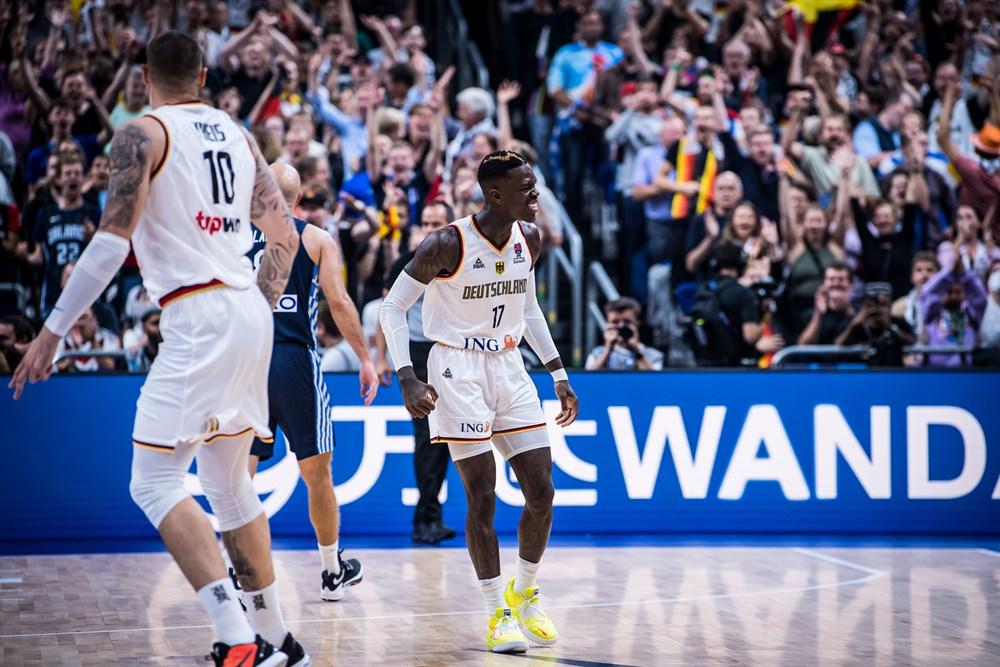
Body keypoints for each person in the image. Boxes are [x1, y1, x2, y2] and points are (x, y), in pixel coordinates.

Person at [10, 32, 307, 667]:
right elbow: (283, 232)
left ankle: (234, 635)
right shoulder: (238, 132)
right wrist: (253, 306)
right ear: (202, 75)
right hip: (249, 305)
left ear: (143, 77)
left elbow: (113, 241)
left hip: (197, 310)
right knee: (228, 487)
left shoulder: (140, 134)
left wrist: (53, 329)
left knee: (154, 482)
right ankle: (281, 640)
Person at [379, 150, 579, 654]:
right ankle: (496, 612)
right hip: (456, 367)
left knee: (542, 489)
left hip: (511, 366)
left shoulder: (528, 239)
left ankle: (525, 590)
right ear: (495, 194)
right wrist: (406, 376)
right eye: (527, 188)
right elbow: (392, 308)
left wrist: (558, 372)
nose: (536, 196)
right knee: (482, 496)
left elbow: (528, 308)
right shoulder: (445, 243)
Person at [246, 162, 377, 603]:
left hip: (246, 363)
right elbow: (338, 302)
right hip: (295, 362)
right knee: (317, 475)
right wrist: (364, 357)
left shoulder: (232, 239)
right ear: (299, 201)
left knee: (241, 477)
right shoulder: (316, 238)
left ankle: (242, 572)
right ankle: (330, 570)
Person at [378, 200, 458, 544]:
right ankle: (424, 518)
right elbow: (388, 311)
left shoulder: (461, 261)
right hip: (419, 353)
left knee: (447, 440)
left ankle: (431, 515)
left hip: (453, 351)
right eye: (425, 222)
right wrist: (384, 358)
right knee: (428, 439)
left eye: (436, 222)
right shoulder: (404, 263)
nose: (428, 229)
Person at [835, 282, 916, 366]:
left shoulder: (898, 322)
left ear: (890, 305)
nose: (877, 309)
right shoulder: (857, 324)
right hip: (864, 374)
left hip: (892, 373)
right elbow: (839, 344)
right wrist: (854, 324)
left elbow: (912, 341)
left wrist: (890, 327)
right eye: (872, 304)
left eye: (883, 305)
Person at [585, 297, 664, 370]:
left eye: (627, 322)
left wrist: (637, 352)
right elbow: (586, 381)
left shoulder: (653, 355)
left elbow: (654, 383)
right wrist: (607, 351)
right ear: (607, 324)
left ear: (637, 323)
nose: (621, 326)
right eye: (615, 322)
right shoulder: (597, 353)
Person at [798, 263, 857, 345]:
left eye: (841, 279)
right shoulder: (810, 314)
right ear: (823, 284)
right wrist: (818, 314)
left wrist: (851, 314)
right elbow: (803, 346)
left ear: (850, 285)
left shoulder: (859, 311)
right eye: (831, 279)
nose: (836, 283)